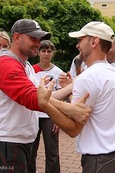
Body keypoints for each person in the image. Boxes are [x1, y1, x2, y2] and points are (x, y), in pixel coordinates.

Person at [0, 18, 91, 173]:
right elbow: (34, 99)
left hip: (20, 141)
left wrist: (72, 85)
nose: (38, 43)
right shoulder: (6, 64)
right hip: (9, 143)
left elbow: (45, 96)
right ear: (16, 37)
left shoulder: (26, 65)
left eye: (39, 39)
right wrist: (69, 109)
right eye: (32, 38)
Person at [37, 21, 115, 173]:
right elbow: (89, 107)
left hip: (99, 160)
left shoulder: (88, 77)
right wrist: (72, 86)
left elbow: (73, 129)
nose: (77, 45)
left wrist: (46, 103)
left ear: (94, 41)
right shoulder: (111, 71)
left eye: (80, 40)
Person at [28, 40, 62, 173]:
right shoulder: (31, 70)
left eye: (49, 51)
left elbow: (63, 96)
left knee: (52, 152)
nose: (46, 54)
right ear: (38, 52)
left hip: (50, 115)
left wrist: (58, 119)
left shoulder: (58, 72)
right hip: (34, 115)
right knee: (31, 150)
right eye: (43, 51)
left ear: (53, 53)